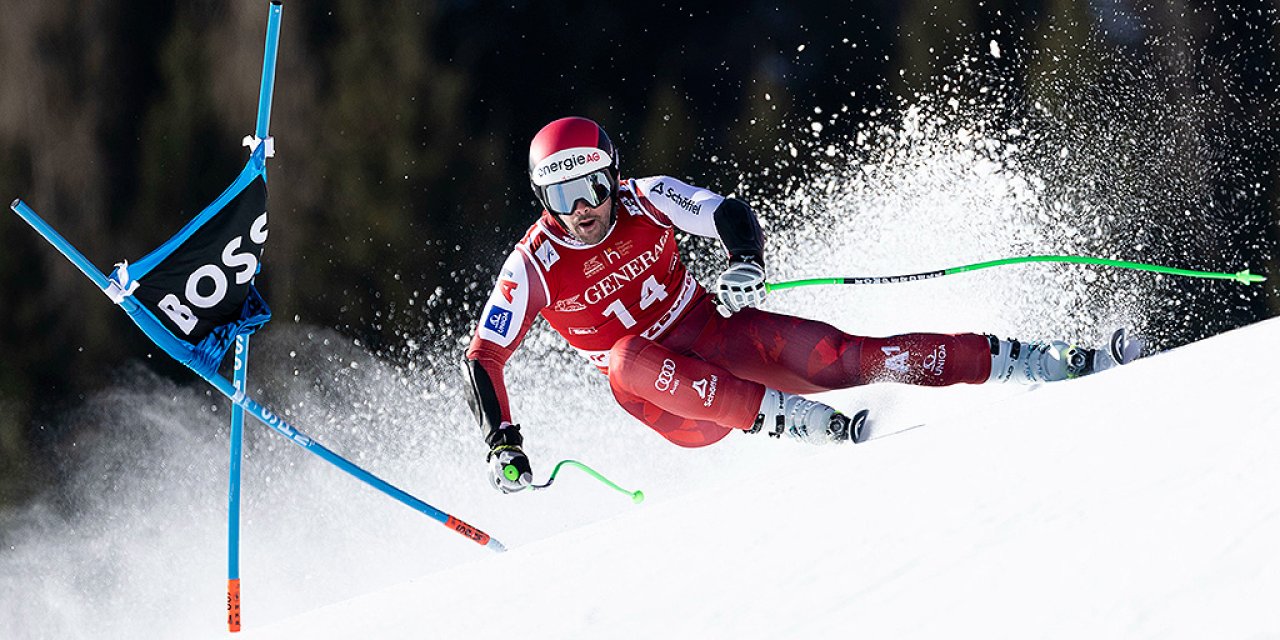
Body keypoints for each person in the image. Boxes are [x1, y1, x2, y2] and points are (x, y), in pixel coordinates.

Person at [463, 116, 1140, 493]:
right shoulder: (533, 263)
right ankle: (790, 421)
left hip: (716, 337)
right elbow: (484, 356)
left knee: (851, 358)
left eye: (591, 188)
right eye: (561, 197)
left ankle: (1034, 360)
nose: (581, 210)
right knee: (621, 357)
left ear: (612, 176)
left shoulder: (646, 197)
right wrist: (503, 442)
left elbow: (725, 212)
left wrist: (744, 262)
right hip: (672, 400)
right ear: (542, 199)